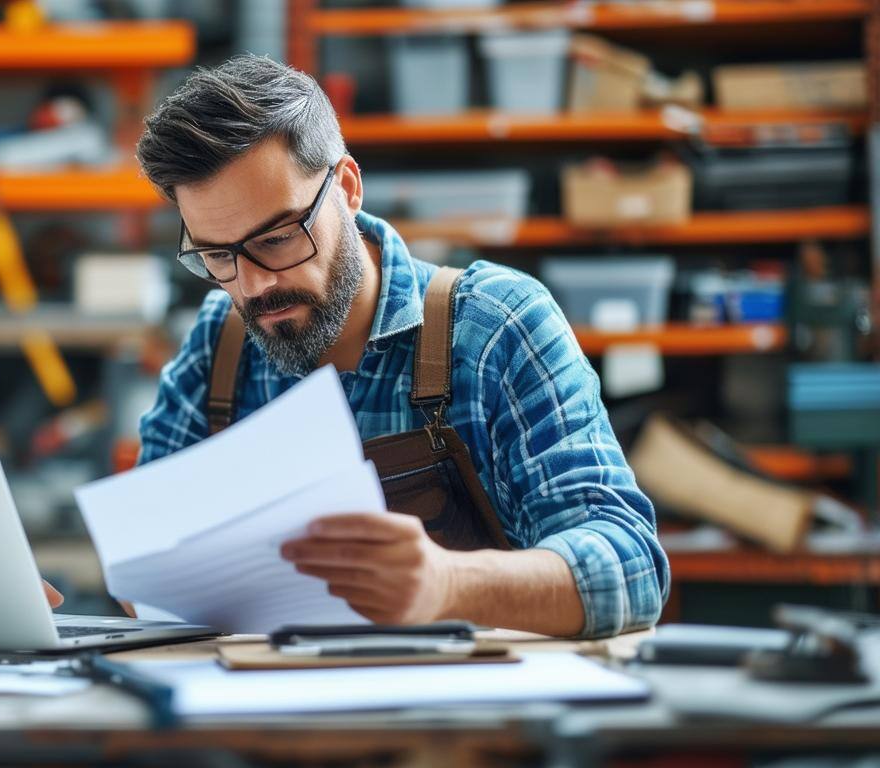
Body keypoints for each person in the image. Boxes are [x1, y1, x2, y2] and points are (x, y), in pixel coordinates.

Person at [53, 55, 668, 638]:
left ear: (347, 187)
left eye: (276, 238)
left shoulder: (495, 327)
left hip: (465, 730)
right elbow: (144, 564)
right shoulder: (222, 342)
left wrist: (449, 584)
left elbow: (632, 568)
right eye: (218, 255)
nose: (255, 285)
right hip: (268, 723)